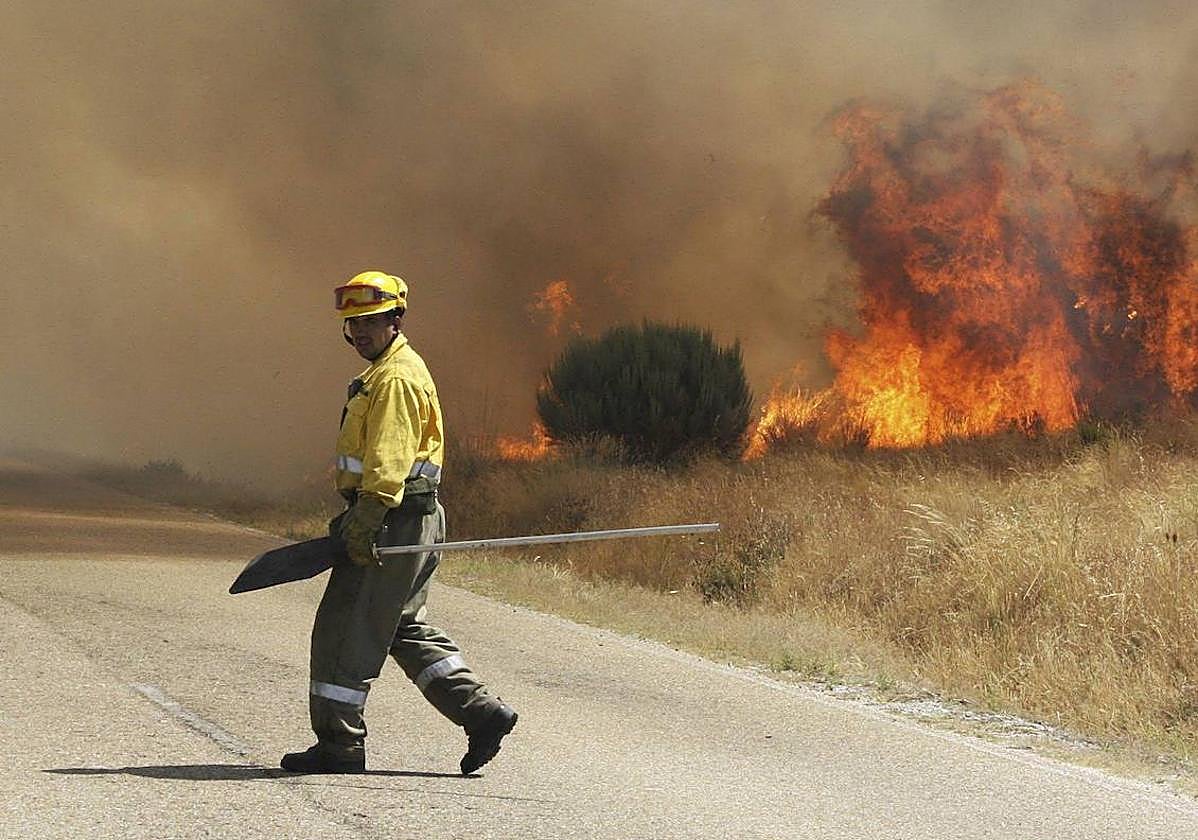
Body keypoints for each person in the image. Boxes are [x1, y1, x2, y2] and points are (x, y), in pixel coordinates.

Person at [281, 270, 517, 775]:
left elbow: (388, 461)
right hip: (411, 519)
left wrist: (364, 520)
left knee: (344, 630)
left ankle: (340, 746)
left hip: (391, 519)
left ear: (395, 319)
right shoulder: (392, 371)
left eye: (370, 321)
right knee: (400, 626)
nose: (359, 332)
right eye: (352, 324)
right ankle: (481, 712)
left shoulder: (394, 378)